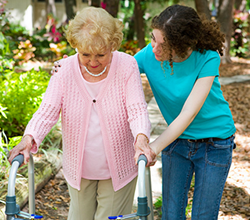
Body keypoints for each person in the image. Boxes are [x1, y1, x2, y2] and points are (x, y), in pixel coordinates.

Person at [52, 4, 236, 220]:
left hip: (215, 143)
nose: (154, 48)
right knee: (171, 214)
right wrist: (72, 67)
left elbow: (188, 114)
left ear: (181, 45)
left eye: (162, 45)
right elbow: (114, 65)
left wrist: (151, 148)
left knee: (203, 216)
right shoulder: (149, 55)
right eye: (152, 39)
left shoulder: (207, 58)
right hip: (177, 142)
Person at [8, 7, 155, 220]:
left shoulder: (126, 65)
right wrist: (28, 138)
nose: (93, 62)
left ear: (112, 45)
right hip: (79, 170)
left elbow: (136, 109)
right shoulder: (64, 70)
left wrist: (141, 138)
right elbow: (46, 111)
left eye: (100, 54)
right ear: (76, 46)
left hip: (119, 170)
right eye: (85, 54)